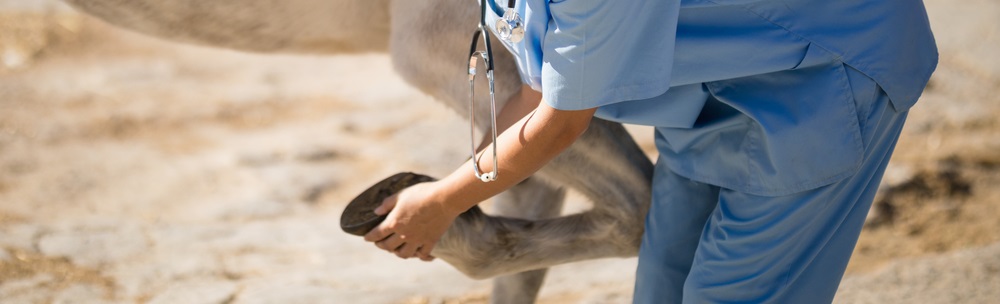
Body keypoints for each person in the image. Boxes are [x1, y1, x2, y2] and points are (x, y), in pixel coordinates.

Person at [364, 0, 938, 302]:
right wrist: (452, 192)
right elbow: (540, 88)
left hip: (824, 80)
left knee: (726, 299)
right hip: (716, 94)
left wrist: (444, 200)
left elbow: (561, 125)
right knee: (662, 286)